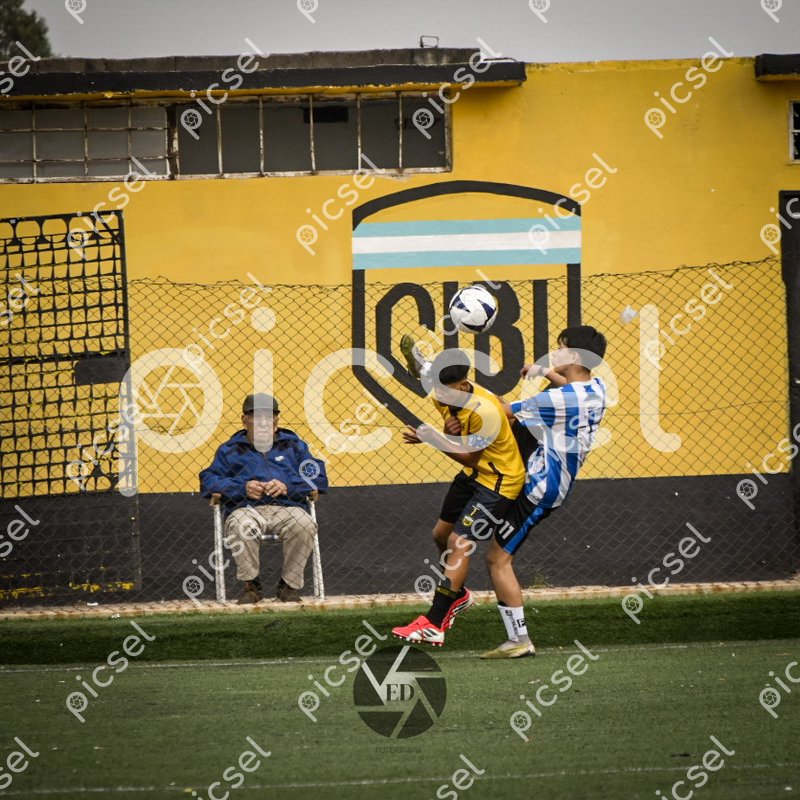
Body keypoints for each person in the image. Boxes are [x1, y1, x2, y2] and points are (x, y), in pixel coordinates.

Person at [393, 326, 608, 658]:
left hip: (539, 488)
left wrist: (437, 434)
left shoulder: (558, 399)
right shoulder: (596, 388)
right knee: (451, 539)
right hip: (535, 469)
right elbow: (566, 386)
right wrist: (544, 372)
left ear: (576, 356)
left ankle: (503, 636)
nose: (555, 352)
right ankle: (481, 617)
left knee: (496, 558)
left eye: (560, 348)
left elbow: (497, 412)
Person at [393, 340, 526, 639]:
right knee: (440, 535)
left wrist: (433, 438)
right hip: (473, 476)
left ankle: (434, 623)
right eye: (438, 390)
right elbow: (424, 370)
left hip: (499, 482)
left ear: (464, 385)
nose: (440, 397)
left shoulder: (485, 412)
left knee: (459, 542)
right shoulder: (441, 387)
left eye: (448, 391)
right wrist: (447, 429)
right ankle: (458, 594)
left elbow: (469, 456)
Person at [199, 393, 328, 604]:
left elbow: (319, 478)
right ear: (244, 420)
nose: (263, 422)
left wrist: (287, 486)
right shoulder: (230, 450)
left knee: (304, 524)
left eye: (269, 417)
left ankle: (288, 586)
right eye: (256, 417)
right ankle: (252, 585)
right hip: (247, 509)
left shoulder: (294, 447)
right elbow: (208, 480)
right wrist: (242, 488)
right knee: (240, 525)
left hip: (287, 508)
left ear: (276, 422)